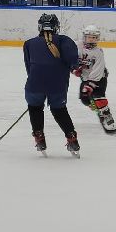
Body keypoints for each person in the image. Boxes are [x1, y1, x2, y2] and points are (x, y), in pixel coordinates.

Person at [23, 13, 80, 155]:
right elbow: (73, 62)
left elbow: (29, 68)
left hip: (34, 84)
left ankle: (39, 139)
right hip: (57, 85)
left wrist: (37, 84)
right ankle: (72, 139)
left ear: (40, 27)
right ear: (56, 28)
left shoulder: (29, 43)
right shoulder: (64, 41)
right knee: (59, 110)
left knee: (35, 108)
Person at [74, 25, 116, 135]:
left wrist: (90, 85)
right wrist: (74, 69)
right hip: (85, 78)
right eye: (89, 37)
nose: (91, 39)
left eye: (94, 37)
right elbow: (72, 60)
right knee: (84, 99)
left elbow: (98, 70)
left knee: (98, 97)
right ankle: (99, 109)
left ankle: (106, 114)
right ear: (84, 37)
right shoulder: (78, 47)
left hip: (99, 79)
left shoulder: (98, 52)